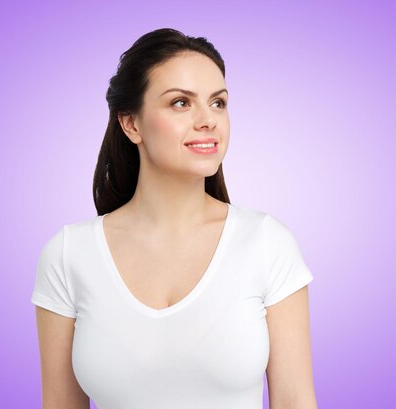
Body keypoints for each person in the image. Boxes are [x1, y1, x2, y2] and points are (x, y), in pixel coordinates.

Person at [31, 28, 317, 409]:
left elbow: (295, 400)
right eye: (181, 103)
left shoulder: (267, 244)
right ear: (131, 124)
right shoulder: (69, 254)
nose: (208, 120)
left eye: (218, 103)